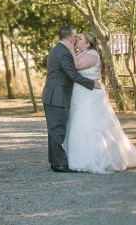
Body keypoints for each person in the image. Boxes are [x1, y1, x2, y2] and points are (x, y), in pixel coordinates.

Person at [65, 31, 136, 173]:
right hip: (80, 94)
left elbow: (76, 66)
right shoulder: (81, 53)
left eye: (80, 38)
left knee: (89, 124)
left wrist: (70, 50)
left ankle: (96, 159)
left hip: (90, 96)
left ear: (88, 43)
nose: (77, 39)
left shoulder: (92, 54)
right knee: (77, 124)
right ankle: (77, 158)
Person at [42, 25, 101, 173]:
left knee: (54, 130)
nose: (75, 39)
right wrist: (92, 84)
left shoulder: (57, 49)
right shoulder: (63, 53)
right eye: (75, 36)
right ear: (68, 38)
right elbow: (73, 75)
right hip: (58, 96)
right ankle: (60, 165)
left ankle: (55, 162)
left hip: (52, 95)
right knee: (58, 130)